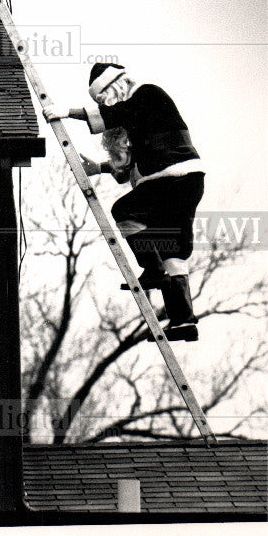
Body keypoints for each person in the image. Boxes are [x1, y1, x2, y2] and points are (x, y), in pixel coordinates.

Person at [45, 62, 204, 336]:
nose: (107, 103)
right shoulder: (141, 116)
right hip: (187, 180)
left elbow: (117, 112)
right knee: (173, 251)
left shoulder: (146, 94)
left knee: (124, 209)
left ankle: (151, 267)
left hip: (171, 178)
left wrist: (70, 113)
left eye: (105, 96)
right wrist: (100, 168)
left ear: (115, 85)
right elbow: (130, 164)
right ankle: (184, 322)